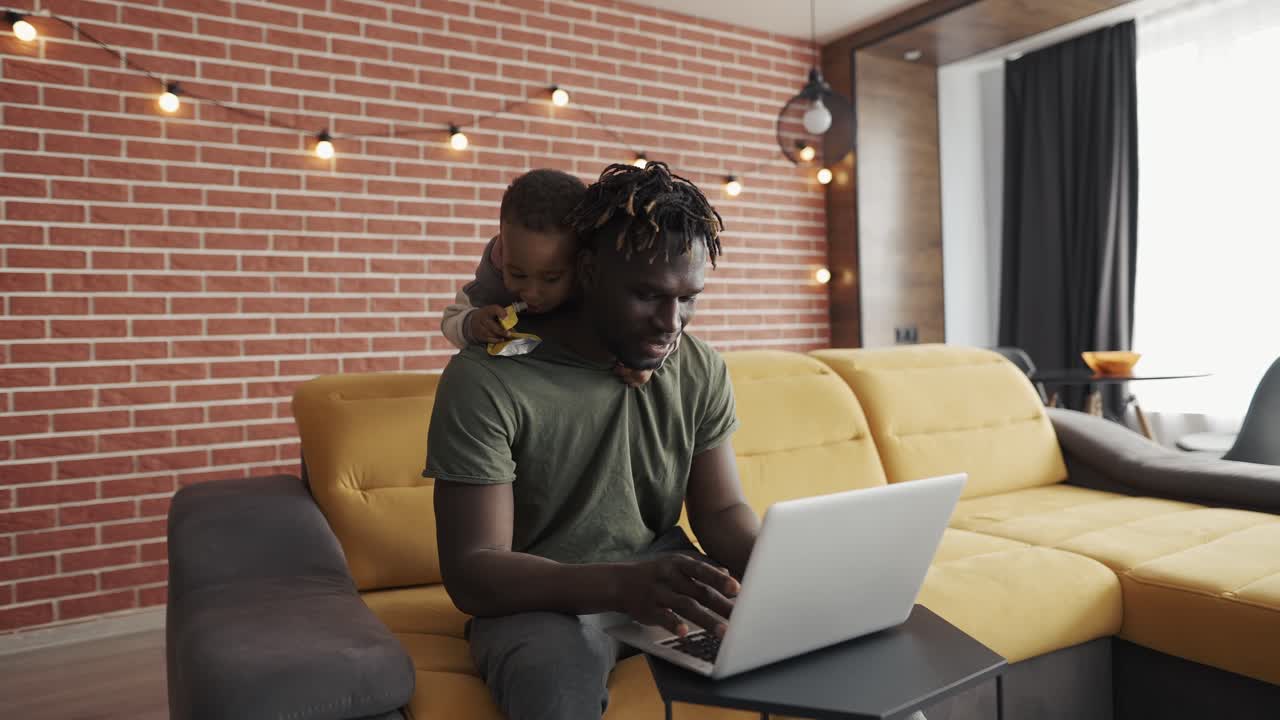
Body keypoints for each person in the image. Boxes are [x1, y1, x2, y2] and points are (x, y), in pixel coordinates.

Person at [424, 161, 761, 720]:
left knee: (810, 649)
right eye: (647, 295)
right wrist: (619, 585)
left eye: (688, 298)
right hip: (540, 597)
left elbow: (722, 511)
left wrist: (785, 576)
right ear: (585, 272)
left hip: (663, 574)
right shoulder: (487, 379)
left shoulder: (696, 365)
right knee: (555, 691)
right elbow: (473, 571)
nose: (671, 322)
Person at [440, 168, 587, 348]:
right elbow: (451, 319)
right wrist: (472, 324)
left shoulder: (598, 294)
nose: (531, 294)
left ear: (582, 263)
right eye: (517, 274)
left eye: (551, 278)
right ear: (502, 252)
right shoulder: (489, 287)